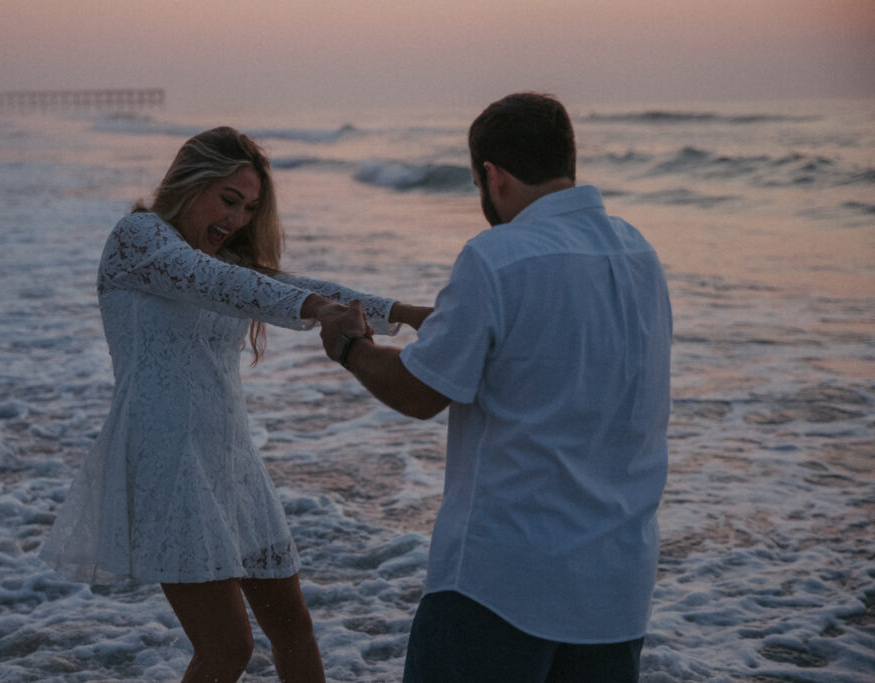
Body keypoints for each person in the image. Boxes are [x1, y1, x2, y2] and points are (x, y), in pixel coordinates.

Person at [39, 126, 427, 683]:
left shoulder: (223, 259)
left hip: (231, 457)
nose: (238, 219)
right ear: (188, 182)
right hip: (169, 459)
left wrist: (407, 313)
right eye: (228, 200)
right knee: (227, 648)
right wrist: (319, 309)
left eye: (249, 208)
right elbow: (219, 283)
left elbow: (277, 283)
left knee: (293, 628)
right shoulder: (139, 237)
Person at [319, 93, 671, 682]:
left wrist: (351, 348)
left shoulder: (496, 257)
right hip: (616, 589)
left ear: (493, 176)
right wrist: (433, 319)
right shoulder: (640, 253)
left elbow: (420, 391)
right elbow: (558, 353)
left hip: (502, 584)